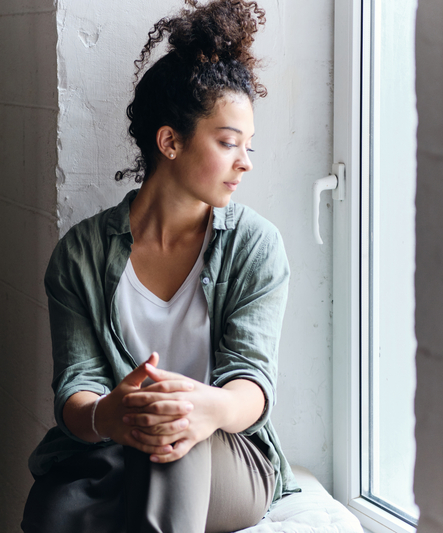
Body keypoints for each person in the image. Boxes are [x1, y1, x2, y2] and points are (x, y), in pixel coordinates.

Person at [21, 1, 300, 531]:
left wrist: (198, 407)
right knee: (54, 512)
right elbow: (75, 387)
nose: (246, 161)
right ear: (170, 141)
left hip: (229, 456)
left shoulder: (255, 246)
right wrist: (111, 414)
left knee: (178, 435)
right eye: (228, 143)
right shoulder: (80, 254)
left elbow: (252, 384)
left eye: (249, 146)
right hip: (115, 451)